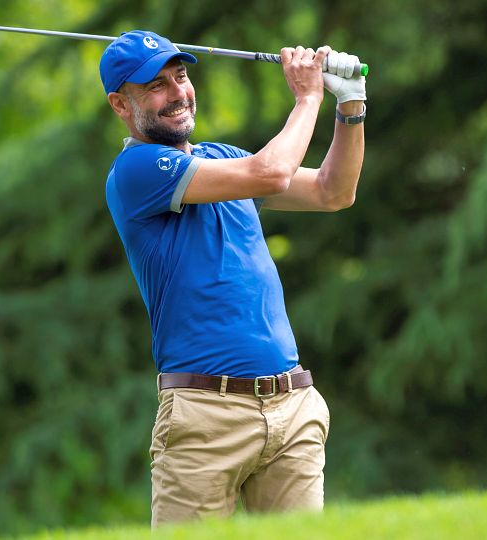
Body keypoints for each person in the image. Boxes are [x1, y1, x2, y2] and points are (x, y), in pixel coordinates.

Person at [98, 30, 365, 527]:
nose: (177, 92)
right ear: (120, 104)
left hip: (291, 407)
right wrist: (308, 95)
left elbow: (334, 192)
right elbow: (271, 173)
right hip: (205, 417)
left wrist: (349, 105)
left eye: (180, 76)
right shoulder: (135, 170)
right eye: (155, 85)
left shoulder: (221, 158)